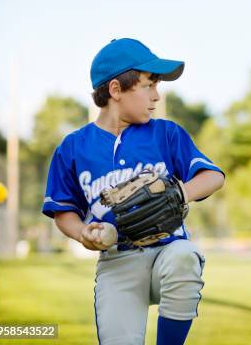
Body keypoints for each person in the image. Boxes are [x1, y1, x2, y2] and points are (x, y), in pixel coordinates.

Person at [41, 38, 225, 344]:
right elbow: (63, 211)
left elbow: (213, 177)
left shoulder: (165, 134)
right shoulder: (73, 147)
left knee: (185, 256)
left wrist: (181, 192)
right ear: (115, 90)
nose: (157, 95)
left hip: (167, 250)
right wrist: (82, 233)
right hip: (117, 261)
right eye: (148, 85)